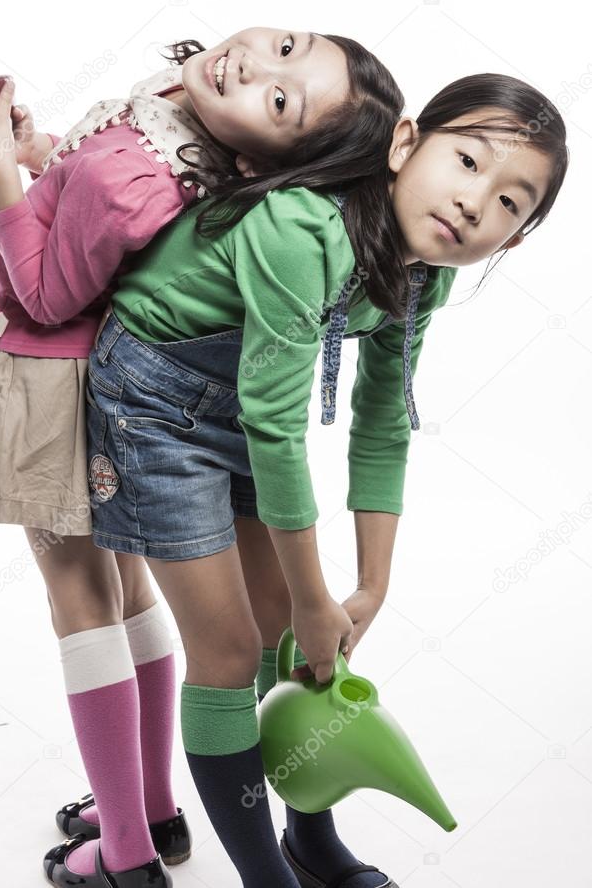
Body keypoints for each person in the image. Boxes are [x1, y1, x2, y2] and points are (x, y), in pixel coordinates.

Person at [0, 26, 406, 888]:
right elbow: (95, 198)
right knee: (133, 588)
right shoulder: (193, 138)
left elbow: (45, 291)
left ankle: (127, 856)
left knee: (79, 596)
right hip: (126, 377)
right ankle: (147, 808)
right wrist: (36, 152)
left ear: (268, 161)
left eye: (283, 98)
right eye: (286, 45)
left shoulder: (139, 178)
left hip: (50, 373)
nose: (261, 64)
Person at [81, 68, 568, 887]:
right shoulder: (304, 229)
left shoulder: (422, 275)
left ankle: (311, 837)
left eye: (513, 202)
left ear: (513, 241)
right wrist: (315, 598)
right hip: (151, 402)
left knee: (292, 642)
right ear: (407, 143)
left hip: (236, 407)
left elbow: (382, 426)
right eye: (469, 161)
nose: (477, 201)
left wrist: (367, 587)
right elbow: (277, 425)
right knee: (233, 651)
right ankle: (265, 876)